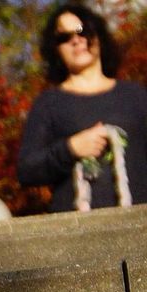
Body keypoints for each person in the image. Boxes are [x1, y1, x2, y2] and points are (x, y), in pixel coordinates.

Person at [17, 3, 147, 212]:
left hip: (139, 230)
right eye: (64, 37)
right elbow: (27, 170)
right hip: (76, 235)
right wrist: (71, 149)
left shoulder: (136, 96)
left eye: (82, 31)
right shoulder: (48, 104)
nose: (76, 40)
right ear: (56, 49)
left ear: (98, 35)